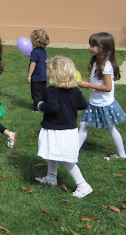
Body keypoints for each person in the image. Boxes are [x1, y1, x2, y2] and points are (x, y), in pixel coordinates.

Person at [35, 56, 92, 198]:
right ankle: (51, 177)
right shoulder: (75, 91)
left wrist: (41, 105)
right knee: (52, 153)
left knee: (66, 159)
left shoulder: (51, 92)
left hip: (57, 130)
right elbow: (83, 104)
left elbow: (53, 108)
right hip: (69, 129)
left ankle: (83, 184)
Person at [77, 32, 126, 159]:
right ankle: (74, 153)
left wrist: (88, 86)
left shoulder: (106, 66)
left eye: (93, 45)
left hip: (104, 104)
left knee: (111, 129)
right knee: (83, 126)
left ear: (103, 48)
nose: (90, 48)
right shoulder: (96, 62)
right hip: (94, 102)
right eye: (90, 44)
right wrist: (83, 82)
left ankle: (122, 155)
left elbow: (107, 87)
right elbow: (94, 81)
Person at [28, 29, 49, 111]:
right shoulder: (43, 51)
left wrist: (29, 75)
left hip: (36, 77)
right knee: (43, 93)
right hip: (44, 76)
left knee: (36, 93)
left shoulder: (35, 52)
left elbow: (33, 64)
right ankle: (44, 106)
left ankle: (37, 108)